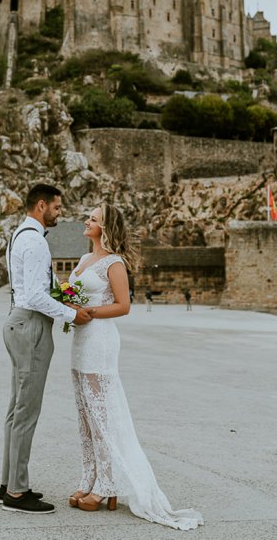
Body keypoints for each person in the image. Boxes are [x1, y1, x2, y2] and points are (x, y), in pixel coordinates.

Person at [65, 204, 203, 529]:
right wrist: (66, 301)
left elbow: (124, 306)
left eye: (94, 219)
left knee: (102, 417)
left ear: (106, 227)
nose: (87, 221)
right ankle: (89, 478)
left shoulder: (114, 262)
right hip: (80, 341)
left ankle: (105, 487)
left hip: (99, 340)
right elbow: (72, 292)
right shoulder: (85, 260)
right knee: (85, 416)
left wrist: (89, 313)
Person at [0, 183, 92, 514]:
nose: (59, 212)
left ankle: (8, 483)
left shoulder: (17, 236)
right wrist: (73, 314)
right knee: (26, 411)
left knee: (16, 409)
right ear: (41, 206)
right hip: (31, 326)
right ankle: (16, 492)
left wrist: (67, 293)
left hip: (17, 323)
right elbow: (37, 296)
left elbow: (38, 286)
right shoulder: (35, 241)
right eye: (57, 207)